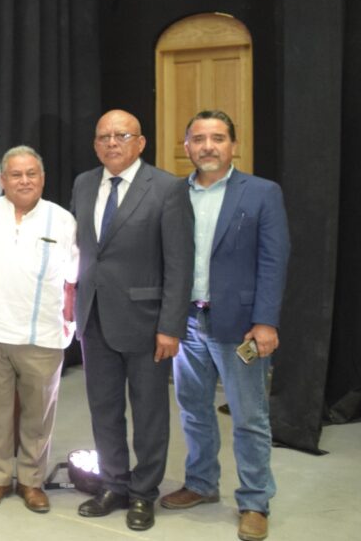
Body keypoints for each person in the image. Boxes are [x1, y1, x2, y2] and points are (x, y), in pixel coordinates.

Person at [161, 111, 289, 541]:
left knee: (249, 417)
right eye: (199, 139)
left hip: (241, 327)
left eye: (217, 138)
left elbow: (274, 260)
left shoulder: (262, 193)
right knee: (193, 409)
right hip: (188, 322)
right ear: (187, 147)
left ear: (234, 145)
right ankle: (201, 483)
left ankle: (254, 501)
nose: (208, 146)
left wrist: (266, 321)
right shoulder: (175, 193)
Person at [70, 109, 194, 531]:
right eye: (103, 136)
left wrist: (171, 326)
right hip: (94, 318)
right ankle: (114, 485)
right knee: (104, 409)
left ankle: (144, 493)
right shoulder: (84, 183)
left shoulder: (168, 188)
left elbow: (179, 264)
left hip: (147, 322)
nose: (112, 142)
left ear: (140, 143)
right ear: (95, 144)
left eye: (122, 135)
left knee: (149, 414)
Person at [0, 146, 78, 513]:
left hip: (42, 335)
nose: (24, 181)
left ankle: (32, 480)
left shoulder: (62, 220)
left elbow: (73, 278)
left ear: (43, 179)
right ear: (2, 180)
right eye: (16, 174)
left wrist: (69, 321)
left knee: (38, 415)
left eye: (32, 173)